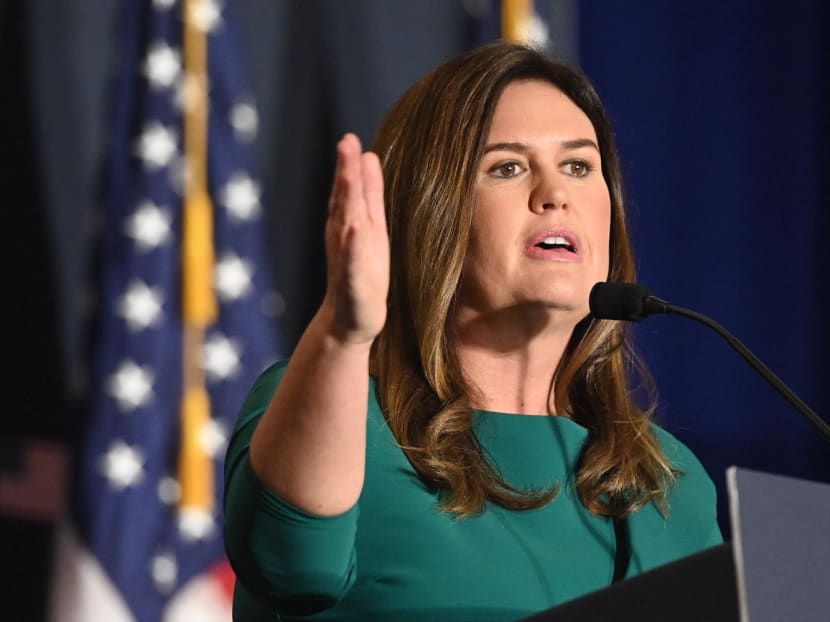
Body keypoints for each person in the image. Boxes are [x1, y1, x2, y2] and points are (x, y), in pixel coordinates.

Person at [223, 41, 721, 621]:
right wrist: (342, 332)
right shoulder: (343, 416)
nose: (555, 194)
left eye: (579, 166)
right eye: (507, 167)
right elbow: (291, 568)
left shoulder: (669, 481)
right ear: (431, 212)